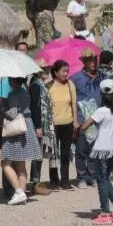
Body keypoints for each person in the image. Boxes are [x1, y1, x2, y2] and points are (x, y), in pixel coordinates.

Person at [81, 79, 113, 226]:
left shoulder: (101, 111)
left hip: (101, 149)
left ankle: (105, 212)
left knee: (101, 180)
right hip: (112, 149)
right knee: (106, 179)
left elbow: (85, 126)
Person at [0, 77, 43, 205]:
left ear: (14, 81)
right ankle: (22, 194)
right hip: (26, 127)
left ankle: (18, 191)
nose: (9, 81)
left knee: (5, 163)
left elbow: (12, 114)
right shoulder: (25, 92)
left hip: (16, 130)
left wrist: (2, 108)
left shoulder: (14, 93)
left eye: (11, 79)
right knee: (20, 164)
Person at [71, 49, 104, 188]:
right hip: (82, 119)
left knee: (94, 150)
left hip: (98, 120)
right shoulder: (75, 78)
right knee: (81, 150)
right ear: (83, 62)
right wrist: (75, 120)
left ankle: (92, 175)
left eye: (94, 59)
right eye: (89, 60)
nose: (93, 62)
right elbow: (71, 99)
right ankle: (81, 177)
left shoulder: (101, 77)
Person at [47, 60, 78, 191]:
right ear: (55, 72)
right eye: (63, 71)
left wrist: (75, 122)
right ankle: (54, 180)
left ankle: (65, 180)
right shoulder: (48, 86)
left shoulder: (70, 84)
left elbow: (74, 105)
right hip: (53, 125)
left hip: (67, 123)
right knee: (53, 153)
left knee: (65, 153)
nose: (66, 73)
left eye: (67, 71)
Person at [28, 60, 56, 196]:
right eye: (43, 68)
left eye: (48, 68)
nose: (47, 71)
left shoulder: (40, 85)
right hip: (38, 125)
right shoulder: (35, 86)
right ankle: (35, 183)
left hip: (43, 124)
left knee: (40, 153)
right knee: (37, 154)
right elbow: (35, 107)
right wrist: (38, 126)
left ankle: (36, 181)